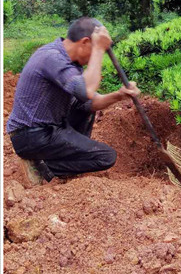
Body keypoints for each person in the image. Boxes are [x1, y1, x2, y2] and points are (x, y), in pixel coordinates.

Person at [6, 17, 140, 185]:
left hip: (47, 129)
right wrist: (99, 48)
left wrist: (119, 95)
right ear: (85, 42)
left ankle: (67, 157)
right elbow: (86, 91)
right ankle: (43, 168)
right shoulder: (51, 58)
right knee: (105, 156)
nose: (95, 58)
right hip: (32, 136)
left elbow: (91, 101)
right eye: (94, 49)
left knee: (85, 107)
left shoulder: (69, 62)